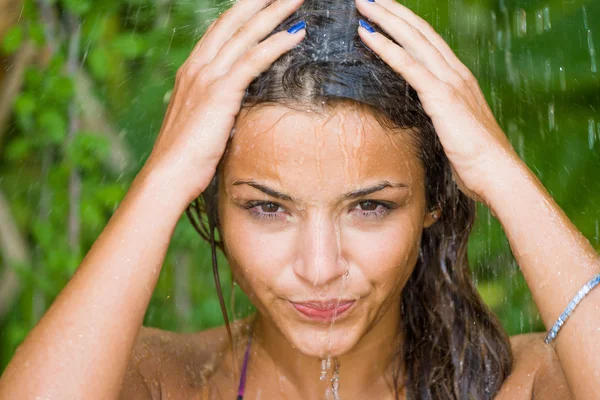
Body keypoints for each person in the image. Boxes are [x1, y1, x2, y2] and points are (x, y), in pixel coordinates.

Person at [0, 0, 598, 398]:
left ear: (433, 202)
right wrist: (164, 174)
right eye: (267, 207)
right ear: (211, 203)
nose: (319, 269)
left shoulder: (526, 384)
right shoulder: (165, 383)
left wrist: (500, 170)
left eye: (371, 207)